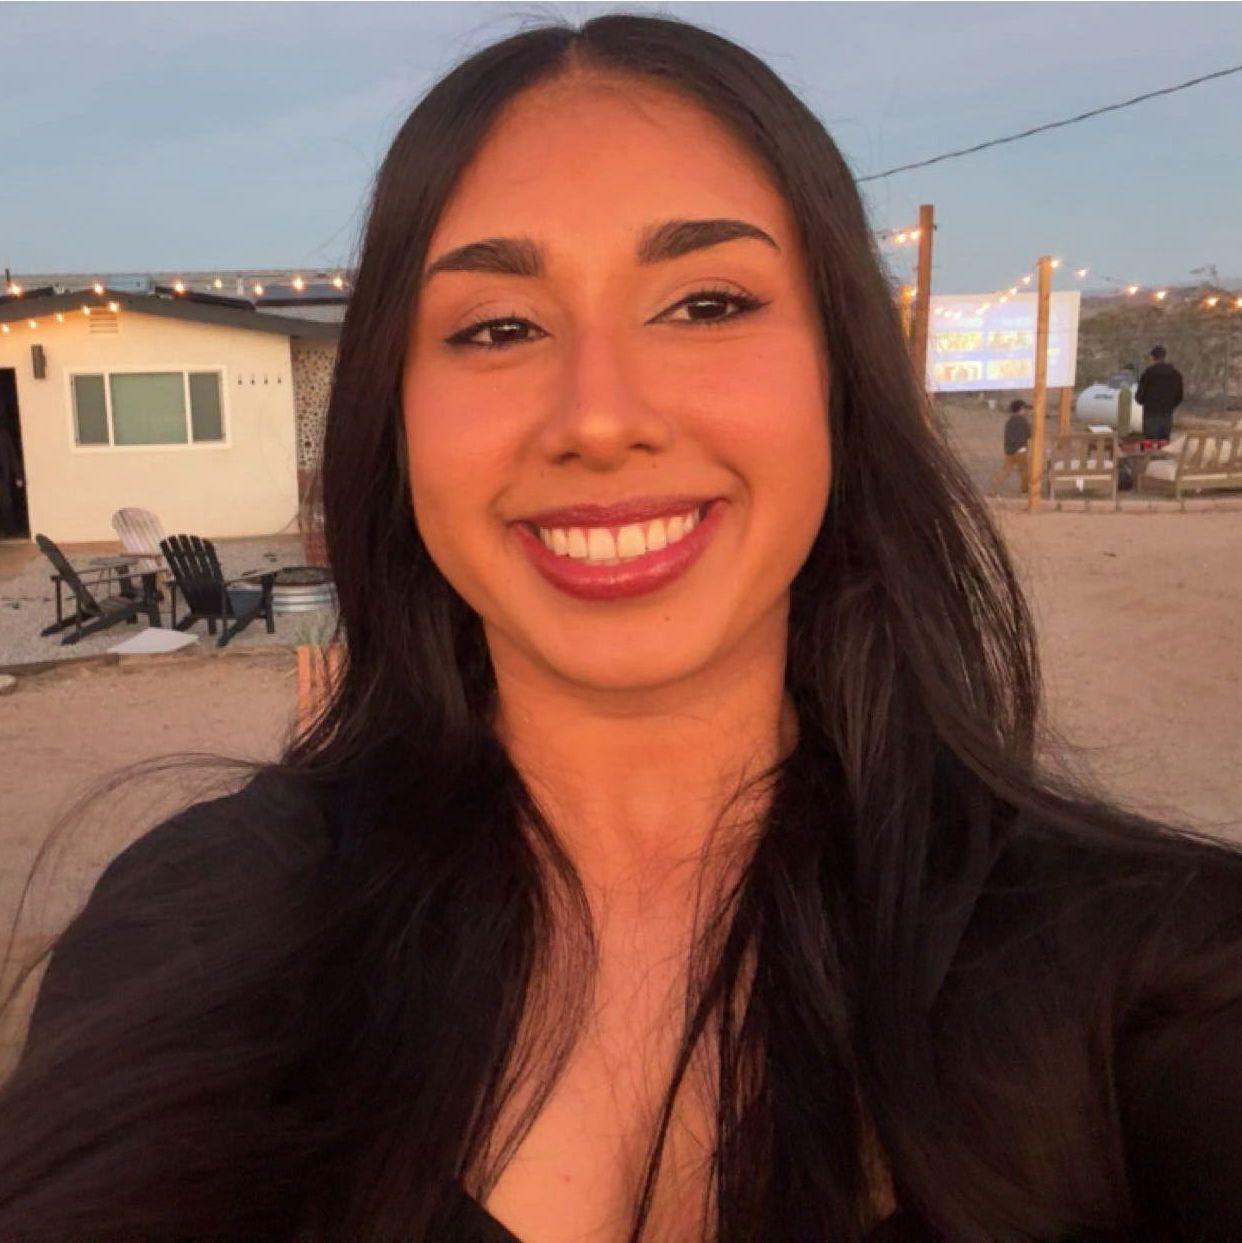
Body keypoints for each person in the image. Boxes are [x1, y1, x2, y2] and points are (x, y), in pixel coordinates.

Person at [3, 16, 1241, 1242]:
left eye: (705, 303)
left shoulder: (1144, 978)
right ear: (397, 417)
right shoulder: (204, 939)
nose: (599, 417)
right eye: (497, 327)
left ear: (840, 376)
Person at [1135, 344, 1184, 442]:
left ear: (1152, 358)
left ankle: (1149, 453)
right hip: (1167, 414)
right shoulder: (1176, 375)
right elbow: (1179, 396)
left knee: (1149, 444)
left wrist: (1146, 402)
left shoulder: (1148, 374)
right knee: (1163, 444)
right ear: (1164, 357)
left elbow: (1139, 396)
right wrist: (1170, 405)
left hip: (1150, 414)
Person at [988, 398, 1032, 494]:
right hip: (1020, 450)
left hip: (1009, 450)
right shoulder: (1023, 420)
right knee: (1024, 470)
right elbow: (1029, 434)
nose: (1026, 411)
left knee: (1005, 470)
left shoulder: (1010, 421)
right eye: (1025, 409)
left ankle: (993, 489)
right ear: (1021, 409)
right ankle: (1025, 490)